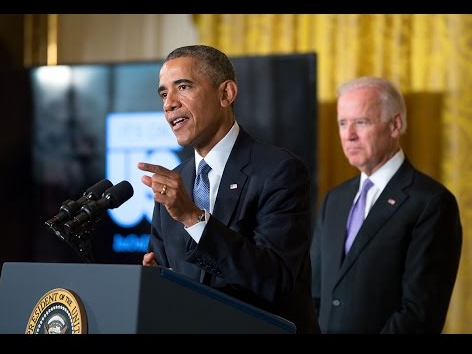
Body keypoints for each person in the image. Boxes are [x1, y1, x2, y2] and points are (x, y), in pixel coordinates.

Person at [137, 45, 320, 334]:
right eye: (163, 93)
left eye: (182, 87)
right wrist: (155, 281)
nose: (169, 104)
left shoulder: (279, 171)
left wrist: (193, 218)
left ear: (226, 94)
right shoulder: (174, 182)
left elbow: (274, 281)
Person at [311, 76, 462, 334]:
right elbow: (313, 294)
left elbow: (419, 314)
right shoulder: (334, 200)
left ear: (395, 125)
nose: (349, 135)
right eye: (342, 123)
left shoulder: (431, 203)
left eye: (361, 122)